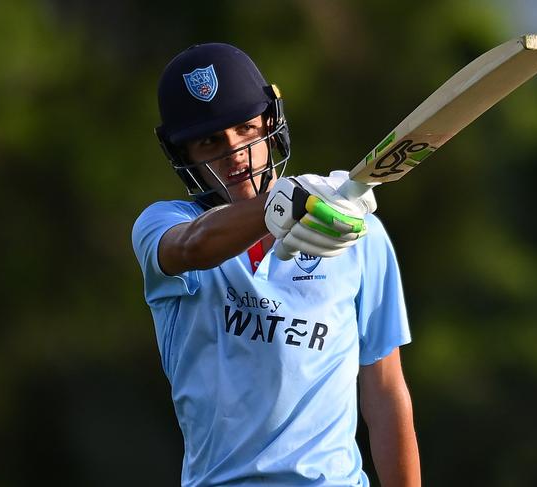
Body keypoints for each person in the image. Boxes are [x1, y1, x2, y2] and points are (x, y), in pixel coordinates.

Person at [132, 42, 421, 486]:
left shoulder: (356, 233)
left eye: (246, 129)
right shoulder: (164, 224)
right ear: (184, 156)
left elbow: (384, 390)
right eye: (210, 141)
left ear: (271, 124)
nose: (235, 154)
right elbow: (191, 246)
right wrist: (284, 202)